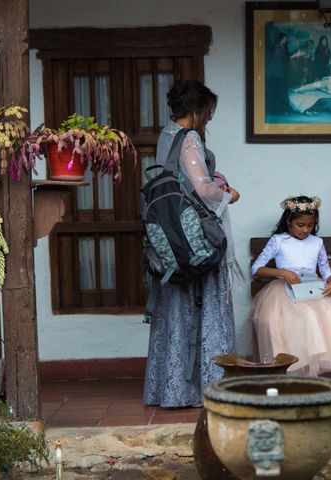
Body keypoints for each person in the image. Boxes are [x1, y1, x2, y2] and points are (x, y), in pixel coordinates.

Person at [143, 80, 240, 408]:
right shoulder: (190, 138)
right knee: (204, 305)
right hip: (194, 237)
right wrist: (228, 192)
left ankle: (171, 388)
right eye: (208, 113)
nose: (209, 119)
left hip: (172, 238)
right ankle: (209, 387)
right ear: (196, 112)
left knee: (177, 309)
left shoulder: (166, 134)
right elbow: (203, 190)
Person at [250, 195, 331, 379]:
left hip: (311, 291)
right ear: (289, 221)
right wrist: (282, 272)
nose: (306, 230)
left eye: (310, 225)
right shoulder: (278, 241)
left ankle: (312, 374)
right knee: (297, 318)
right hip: (284, 295)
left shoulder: (316, 242)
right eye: (301, 225)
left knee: (327, 316)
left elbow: (326, 271)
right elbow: (256, 269)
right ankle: (293, 371)